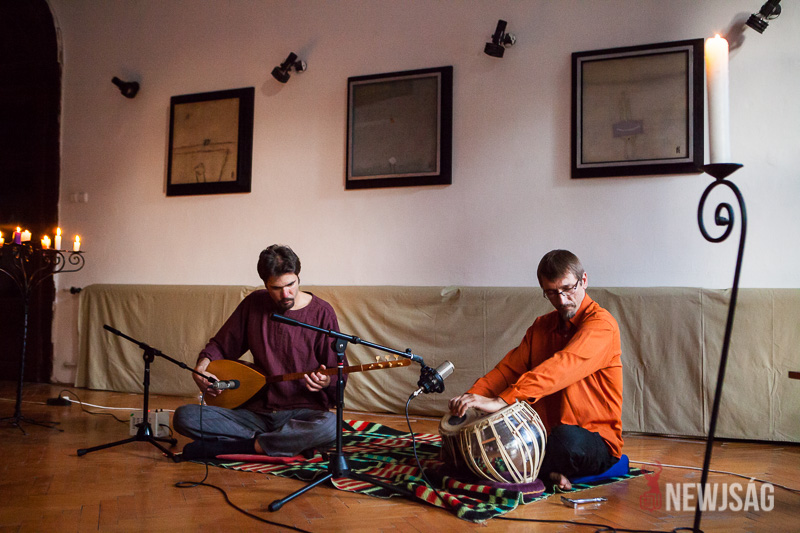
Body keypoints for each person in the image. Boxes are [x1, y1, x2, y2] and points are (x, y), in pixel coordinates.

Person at [448, 249, 622, 489]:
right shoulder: (542, 326)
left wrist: (502, 401)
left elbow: (562, 366)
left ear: (583, 280)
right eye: (551, 292)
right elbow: (507, 371)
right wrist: (470, 401)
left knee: (565, 441)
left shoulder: (602, 325)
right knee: (465, 443)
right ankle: (546, 471)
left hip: (593, 440)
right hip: (542, 436)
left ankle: (538, 469)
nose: (562, 300)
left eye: (568, 289)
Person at [173, 244, 344, 460]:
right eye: (276, 288)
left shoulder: (322, 313)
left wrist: (327, 382)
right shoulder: (254, 304)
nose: (286, 294)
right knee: (185, 416)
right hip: (256, 413)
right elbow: (221, 345)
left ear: (298, 277)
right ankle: (281, 443)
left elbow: (338, 373)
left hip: (303, 413)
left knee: (331, 426)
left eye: (290, 284)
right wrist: (200, 368)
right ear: (265, 284)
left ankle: (240, 446)